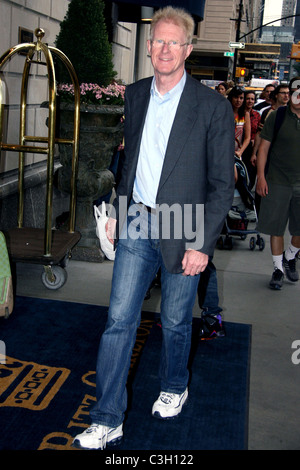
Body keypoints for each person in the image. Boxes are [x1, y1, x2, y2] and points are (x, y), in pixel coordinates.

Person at [73, 6, 235, 450]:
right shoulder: (136, 93)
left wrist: (202, 244)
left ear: (187, 49)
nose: (164, 49)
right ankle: (107, 418)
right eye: (157, 41)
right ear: (148, 47)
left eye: (173, 42)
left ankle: (174, 384)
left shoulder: (212, 107)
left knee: (176, 319)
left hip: (184, 226)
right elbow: (129, 164)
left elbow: (223, 187)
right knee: (118, 320)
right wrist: (119, 211)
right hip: (138, 220)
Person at [256, 76, 300, 290]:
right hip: (277, 181)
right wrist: (261, 177)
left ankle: (290, 256)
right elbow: (263, 148)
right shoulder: (277, 116)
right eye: (294, 90)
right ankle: (278, 269)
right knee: (276, 228)